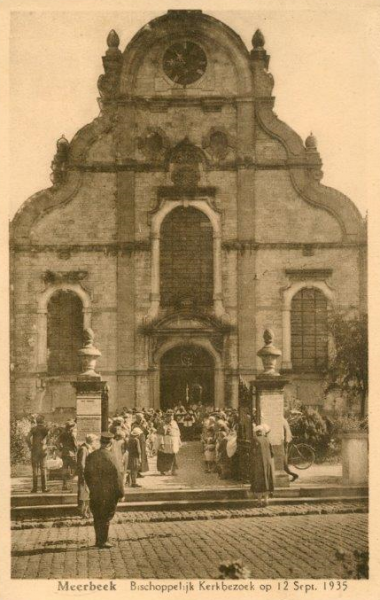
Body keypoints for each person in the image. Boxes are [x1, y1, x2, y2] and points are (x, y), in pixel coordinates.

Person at [84, 431, 125, 549]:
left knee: (97, 516)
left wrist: (92, 487)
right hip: (108, 493)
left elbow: (86, 474)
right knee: (106, 516)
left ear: (101, 442)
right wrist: (121, 493)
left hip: (95, 492)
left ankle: (99, 540)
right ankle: (103, 540)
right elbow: (118, 476)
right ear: (110, 444)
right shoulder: (112, 457)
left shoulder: (92, 456)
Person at [250, 424, 274, 506]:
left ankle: (259, 501)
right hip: (267, 464)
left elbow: (252, 452)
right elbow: (272, 453)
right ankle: (266, 500)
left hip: (258, 464)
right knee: (267, 480)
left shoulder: (254, 439)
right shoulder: (267, 439)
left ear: (256, 432)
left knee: (258, 481)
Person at [26, 415, 49, 493]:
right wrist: (46, 444)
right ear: (43, 421)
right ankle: (44, 488)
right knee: (43, 469)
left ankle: (34, 488)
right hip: (43, 450)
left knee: (35, 469)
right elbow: (50, 437)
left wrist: (30, 446)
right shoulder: (46, 429)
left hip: (34, 450)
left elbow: (27, 438)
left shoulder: (33, 429)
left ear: (37, 421)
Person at [77, 434, 97, 518]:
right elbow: (82, 463)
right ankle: (83, 511)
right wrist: (84, 474)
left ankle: (88, 511)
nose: (96, 442)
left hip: (90, 474)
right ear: (91, 441)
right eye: (95, 441)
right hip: (85, 474)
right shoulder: (84, 449)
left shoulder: (88, 448)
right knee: (84, 493)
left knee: (88, 493)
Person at [156, 410, 181, 475]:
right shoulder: (162, 424)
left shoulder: (174, 423)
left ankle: (173, 470)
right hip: (165, 442)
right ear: (166, 417)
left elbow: (178, 432)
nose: (171, 418)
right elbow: (159, 434)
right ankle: (162, 470)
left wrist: (179, 441)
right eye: (169, 416)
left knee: (173, 456)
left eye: (172, 416)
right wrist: (161, 443)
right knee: (163, 456)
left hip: (173, 442)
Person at [57, 420, 78, 491]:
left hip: (64, 453)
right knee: (74, 469)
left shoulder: (63, 434)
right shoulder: (72, 434)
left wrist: (61, 448)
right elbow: (75, 444)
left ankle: (64, 485)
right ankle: (73, 485)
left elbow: (57, 442)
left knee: (65, 469)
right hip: (71, 454)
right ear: (71, 427)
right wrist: (77, 450)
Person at [283, 417, 299, 482]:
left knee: (284, 463)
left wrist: (286, 442)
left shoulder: (282, 421)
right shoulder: (283, 420)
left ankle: (294, 475)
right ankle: (294, 475)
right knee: (284, 463)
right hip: (286, 442)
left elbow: (286, 432)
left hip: (285, 443)